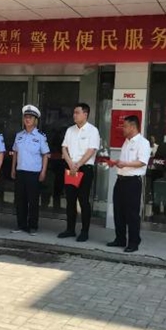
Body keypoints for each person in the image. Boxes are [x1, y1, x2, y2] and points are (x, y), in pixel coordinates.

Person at [107, 115, 151, 253]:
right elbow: (125, 161)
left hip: (132, 182)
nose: (123, 129)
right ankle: (120, 238)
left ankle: (133, 242)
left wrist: (125, 164)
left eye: (125, 126)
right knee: (118, 211)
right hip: (120, 180)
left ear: (133, 127)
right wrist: (117, 163)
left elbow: (142, 162)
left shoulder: (143, 143)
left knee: (132, 213)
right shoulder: (126, 141)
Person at [58, 103, 100, 242]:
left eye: (77, 112)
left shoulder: (92, 131)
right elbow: (64, 148)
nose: (74, 115)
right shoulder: (70, 130)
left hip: (84, 169)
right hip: (71, 168)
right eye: (74, 112)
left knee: (83, 200)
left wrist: (79, 164)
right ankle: (70, 229)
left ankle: (84, 231)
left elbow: (91, 150)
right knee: (70, 200)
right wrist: (70, 163)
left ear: (85, 114)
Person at [11, 105, 50, 235]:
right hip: (20, 171)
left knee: (33, 201)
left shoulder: (40, 136)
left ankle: (33, 226)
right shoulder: (19, 135)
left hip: (34, 173)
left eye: (30, 118)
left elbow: (45, 155)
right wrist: (13, 168)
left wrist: (43, 171)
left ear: (35, 120)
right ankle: (21, 225)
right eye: (26, 117)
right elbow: (15, 153)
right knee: (20, 200)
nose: (27, 120)